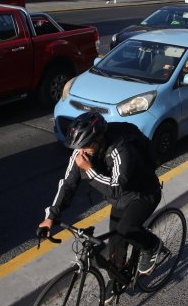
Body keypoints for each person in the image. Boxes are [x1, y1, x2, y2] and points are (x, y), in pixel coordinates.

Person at [37, 112, 163, 278]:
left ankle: (152, 246)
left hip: (144, 192)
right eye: (78, 147)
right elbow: (68, 184)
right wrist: (51, 216)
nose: (81, 152)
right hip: (120, 199)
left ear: (99, 139)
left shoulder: (121, 149)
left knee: (126, 229)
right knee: (115, 245)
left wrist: (89, 169)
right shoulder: (82, 151)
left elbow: (116, 189)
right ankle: (118, 278)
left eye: (86, 146)